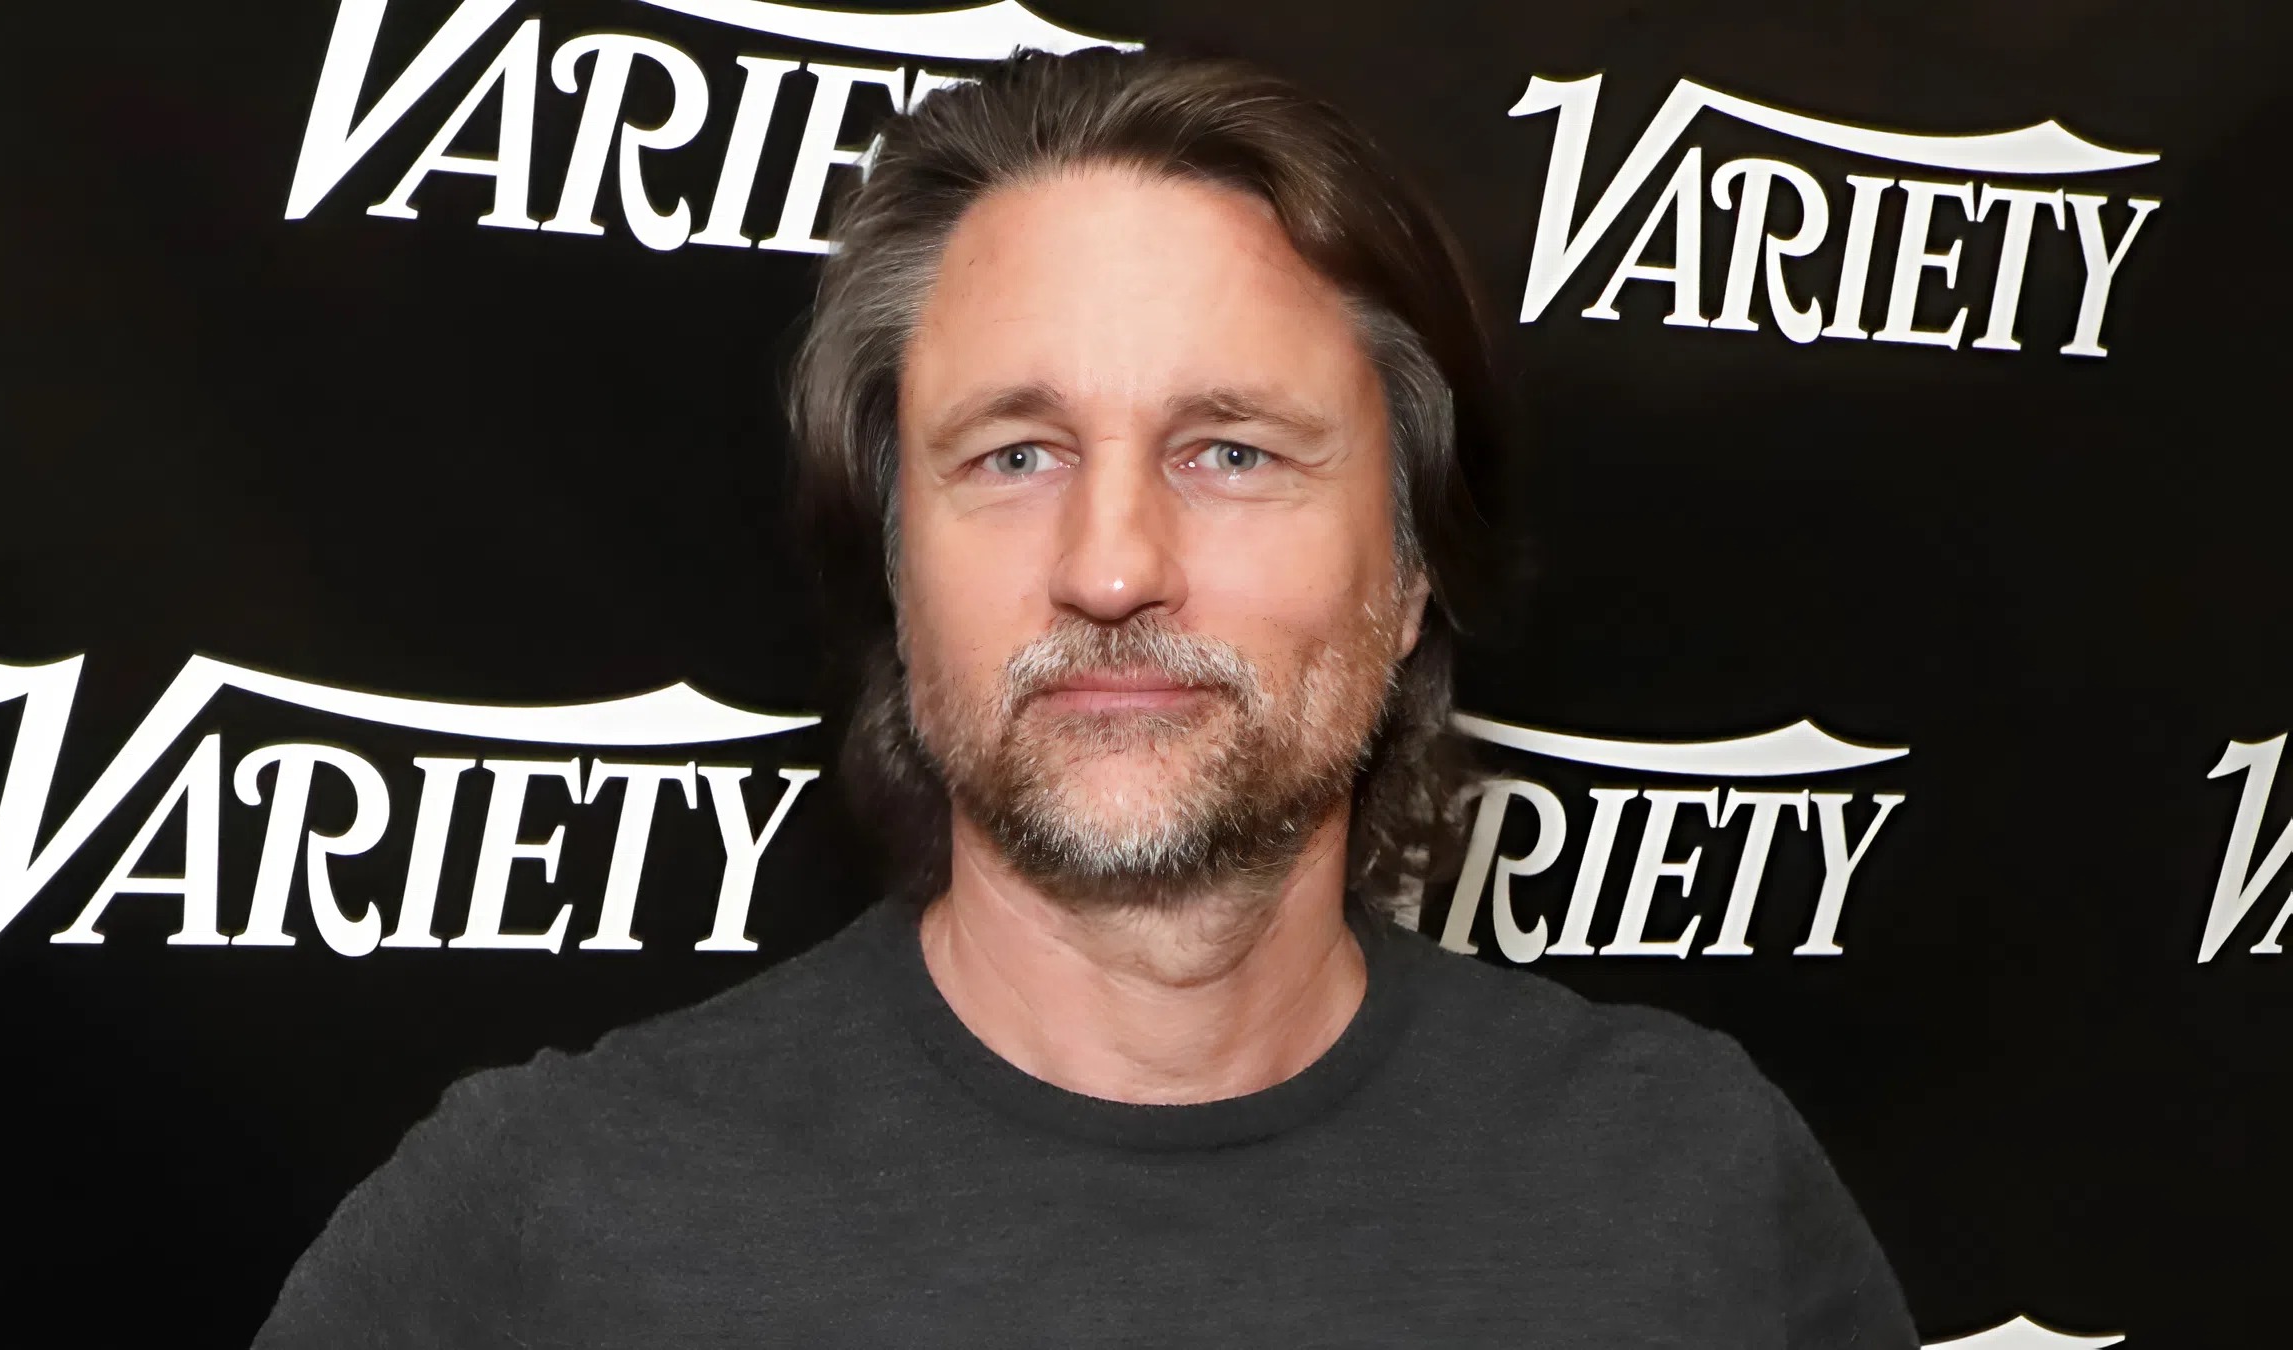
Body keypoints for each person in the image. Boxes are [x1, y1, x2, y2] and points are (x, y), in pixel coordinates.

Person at [253, 46, 1916, 1348]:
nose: (1112, 565)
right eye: (1015, 454)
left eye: (1232, 451)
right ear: (896, 567)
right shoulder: (547, 1226)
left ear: (1412, 568)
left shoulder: (1697, 1191)